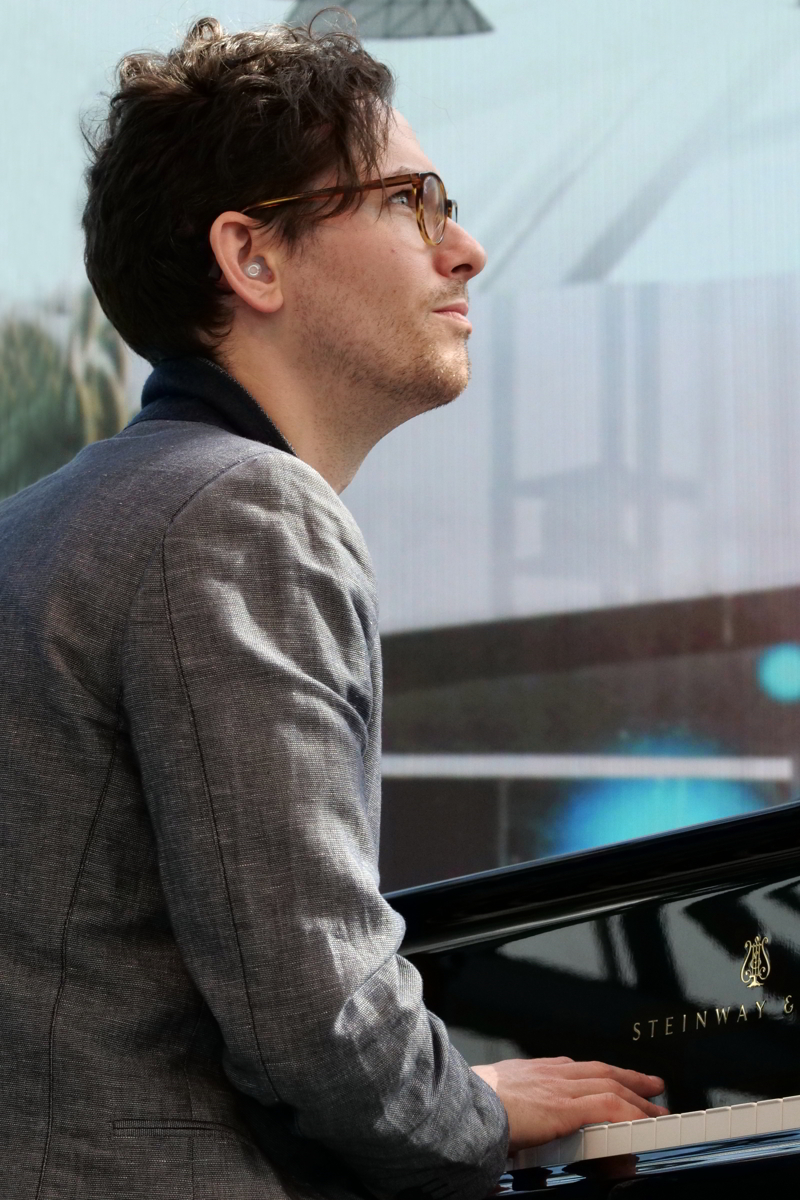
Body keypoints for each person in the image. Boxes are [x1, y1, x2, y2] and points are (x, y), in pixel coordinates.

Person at [0, 15, 666, 1200]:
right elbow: (312, 1011)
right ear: (252, 258)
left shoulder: (50, 518)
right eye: (410, 201)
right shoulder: (240, 510)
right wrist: (467, 1115)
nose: (464, 249)